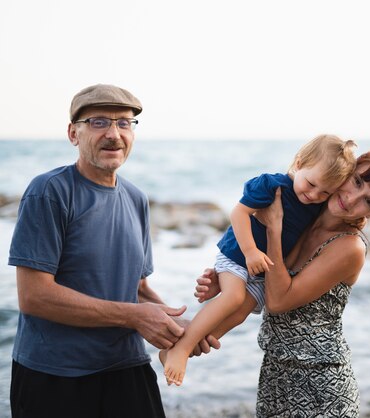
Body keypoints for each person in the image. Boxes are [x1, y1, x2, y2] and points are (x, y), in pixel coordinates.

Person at [8, 84, 216, 418]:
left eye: (124, 123)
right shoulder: (48, 191)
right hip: (56, 376)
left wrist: (180, 330)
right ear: (73, 133)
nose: (114, 134)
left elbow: (137, 290)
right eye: (99, 122)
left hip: (126, 368)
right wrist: (135, 316)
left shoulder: (136, 199)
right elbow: (34, 296)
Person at [195, 151, 370, 417]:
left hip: (321, 385)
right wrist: (226, 279)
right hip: (276, 373)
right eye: (357, 182)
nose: (352, 199)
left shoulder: (349, 246)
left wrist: (274, 230)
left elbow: (278, 301)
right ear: (345, 171)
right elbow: (263, 269)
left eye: (368, 201)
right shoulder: (305, 213)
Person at [160, 134, 358, 386]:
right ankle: (182, 349)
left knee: (241, 312)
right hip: (238, 255)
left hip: (263, 271)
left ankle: (186, 346)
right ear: (299, 163)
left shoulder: (317, 205)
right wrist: (251, 251)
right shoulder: (272, 185)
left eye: (324, 192)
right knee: (232, 298)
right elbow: (239, 212)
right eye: (311, 184)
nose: (314, 194)